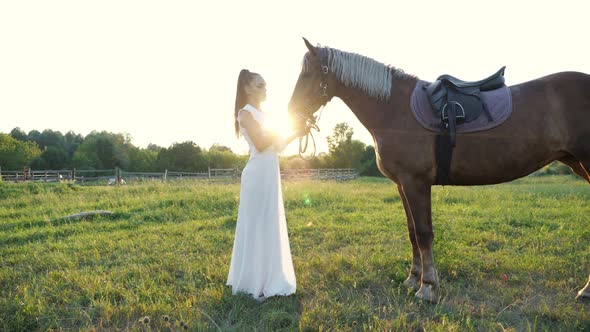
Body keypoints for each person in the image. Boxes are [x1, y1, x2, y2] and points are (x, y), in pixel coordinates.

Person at [226, 69, 307, 301]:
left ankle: (268, 278)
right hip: (257, 175)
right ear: (247, 88)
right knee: (256, 225)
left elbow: (277, 145)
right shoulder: (245, 114)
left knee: (268, 222)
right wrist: (283, 130)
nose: (265, 90)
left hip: (269, 174)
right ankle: (253, 282)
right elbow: (261, 144)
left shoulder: (265, 115)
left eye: (266, 86)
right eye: (260, 85)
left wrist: (296, 132)